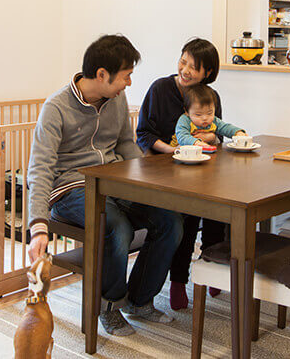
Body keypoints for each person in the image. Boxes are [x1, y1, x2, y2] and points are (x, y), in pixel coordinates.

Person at [27, 35, 182, 337]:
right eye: (126, 76)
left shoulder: (117, 99)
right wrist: (38, 226)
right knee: (117, 227)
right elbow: (40, 168)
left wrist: (147, 182)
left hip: (114, 183)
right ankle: (109, 306)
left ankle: (139, 300)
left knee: (170, 221)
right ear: (101, 74)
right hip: (71, 189)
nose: (129, 83)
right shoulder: (56, 107)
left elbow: (126, 144)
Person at [135, 37, 228, 310]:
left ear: (207, 72)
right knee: (188, 217)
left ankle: (213, 267)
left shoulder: (210, 96)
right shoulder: (160, 89)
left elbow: (218, 133)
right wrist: (173, 150)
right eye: (183, 62)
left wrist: (209, 137)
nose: (185, 70)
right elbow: (143, 133)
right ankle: (178, 281)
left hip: (201, 171)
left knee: (219, 211)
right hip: (165, 173)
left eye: (194, 67)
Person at [173, 83, 249, 151]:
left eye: (209, 113)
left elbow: (225, 127)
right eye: (198, 114)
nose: (205, 118)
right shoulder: (185, 120)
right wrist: (197, 143)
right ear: (187, 112)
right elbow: (182, 136)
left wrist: (238, 133)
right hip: (186, 154)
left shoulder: (214, 121)